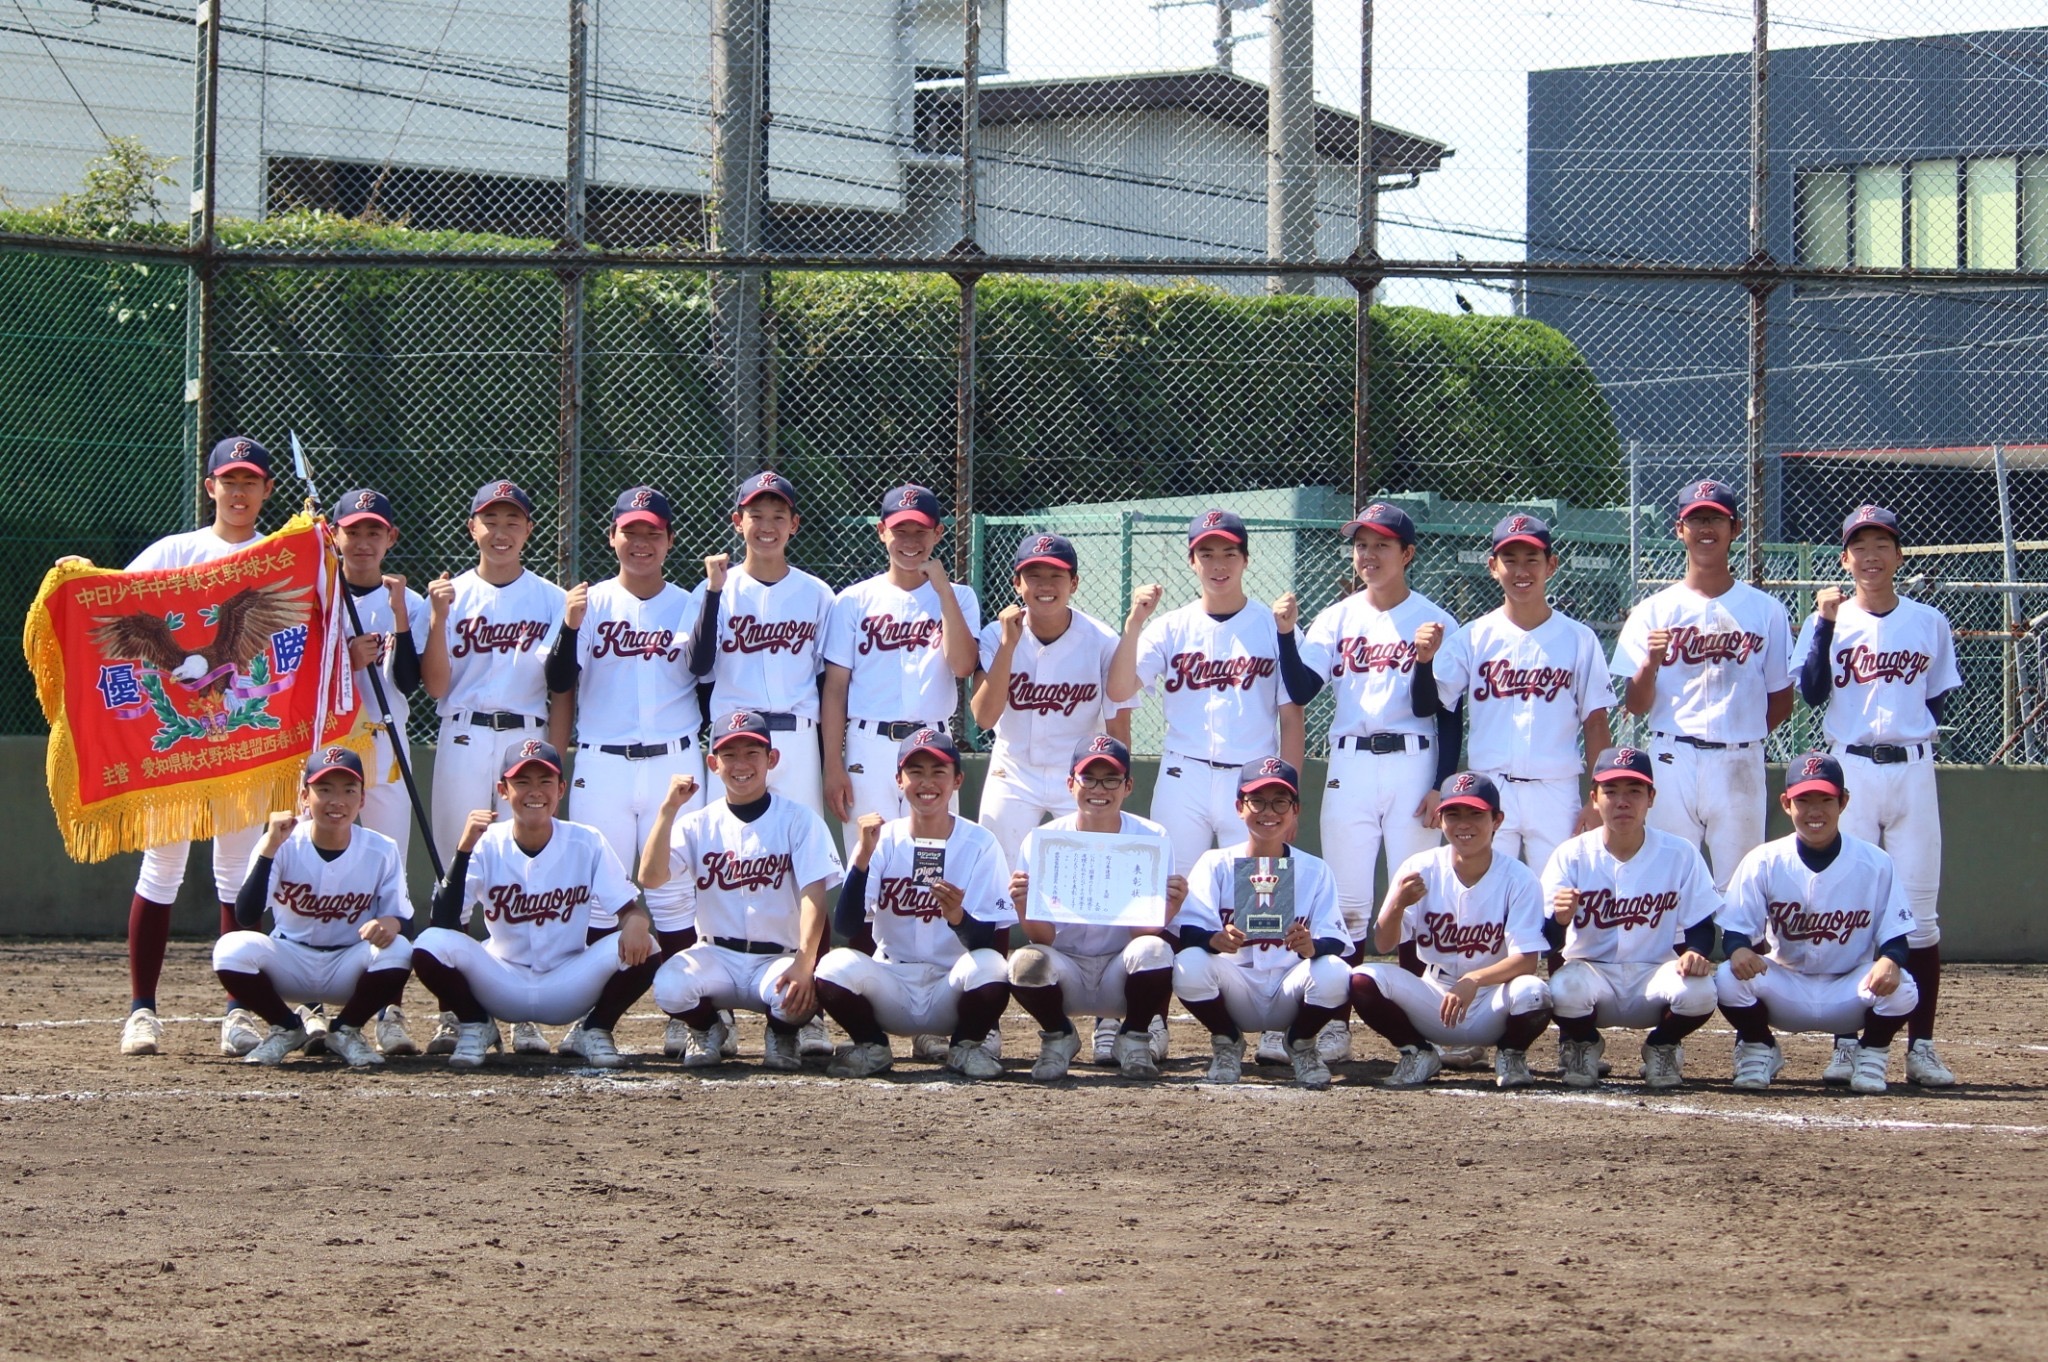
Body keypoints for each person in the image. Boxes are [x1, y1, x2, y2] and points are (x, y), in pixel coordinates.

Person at [60, 436, 279, 1059]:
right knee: (162, 870)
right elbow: (109, 611)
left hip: (244, 738)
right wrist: (73, 584)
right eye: (228, 481)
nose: (238, 492)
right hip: (176, 743)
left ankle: (239, 1010)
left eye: (250, 481)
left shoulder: (277, 557)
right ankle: (142, 1011)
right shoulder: (175, 551)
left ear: (266, 490)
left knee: (235, 873)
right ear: (209, 487)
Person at [1793, 504, 1962, 1088]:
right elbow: (1812, 692)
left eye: (1881, 544)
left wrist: (1907, 737)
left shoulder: (1928, 621)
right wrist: (1823, 624)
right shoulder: (1831, 622)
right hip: (1852, 774)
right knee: (1851, 913)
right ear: (1845, 558)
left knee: (1921, 918)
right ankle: (1847, 1042)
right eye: (1859, 546)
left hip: (1913, 770)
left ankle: (1922, 1046)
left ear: (1897, 555)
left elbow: (1935, 700)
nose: (1870, 555)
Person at [545, 485, 709, 1060]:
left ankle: (687, 1013)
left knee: (676, 893)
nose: (641, 543)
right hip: (602, 760)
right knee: (600, 899)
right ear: (612, 536)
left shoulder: (690, 603)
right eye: (631, 532)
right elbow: (560, 679)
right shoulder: (588, 604)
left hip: (675, 758)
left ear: (669, 539)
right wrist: (567, 627)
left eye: (653, 533)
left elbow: (707, 673)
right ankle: (598, 1019)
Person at [970, 532, 1144, 1066]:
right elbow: (983, 716)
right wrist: (1005, 646)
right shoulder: (996, 634)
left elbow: (1118, 723)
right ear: (1017, 582)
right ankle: (988, 1019)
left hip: (1080, 780)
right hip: (1014, 770)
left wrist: (1113, 789)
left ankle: (1111, 1017)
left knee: (1102, 887)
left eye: (1056, 575)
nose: (1045, 585)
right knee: (996, 888)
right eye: (1034, 575)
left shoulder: (1099, 638)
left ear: (1073, 582)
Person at [1297, 501, 1459, 1063]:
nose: (1368, 554)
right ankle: (1336, 1020)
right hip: (1349, 760)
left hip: (1414, 758)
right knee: (1346, 901)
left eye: (1381, 545)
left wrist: (1442, 783)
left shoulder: (1436, 619)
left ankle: (1425, 1018)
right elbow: (1299, 685)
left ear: (1408, 553)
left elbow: (1439, 711)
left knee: (1414, 894)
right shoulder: (1337, 617)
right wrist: (1283, 631)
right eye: (1361, 544)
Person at [419, 480, 569, 1056]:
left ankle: (522, 1005)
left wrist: (552, 763)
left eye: (513, 521)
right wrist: (436, 620)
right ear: (472, 528)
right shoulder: (450, 596)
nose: (501, 531)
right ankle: (454, 1011)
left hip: (527, 743)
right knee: (455, 870)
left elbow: (561, 692)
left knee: (523, 873)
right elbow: (435, 686)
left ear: (529, 530)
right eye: (491, 520)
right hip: (463, 733)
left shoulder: (553, 600)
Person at [410, 741, 658, 1069]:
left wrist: (637, 922)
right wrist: (463, 850)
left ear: (561, 789)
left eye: (545, 781)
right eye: (522, 782)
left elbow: (628, 911)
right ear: (503, 789)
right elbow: (443, 921)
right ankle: (476, 1024)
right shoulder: (485, 843)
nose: (535, 791)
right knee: (429, 944)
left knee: (648, 947)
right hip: (500, 981)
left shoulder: (587, 840)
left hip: (568, 982)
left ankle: (594, 1029)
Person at [1107, 510, 1311, 880]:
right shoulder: (1169, 627)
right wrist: (1134, 623)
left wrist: (1290, 795)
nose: (1218, 565)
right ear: (1191, 561)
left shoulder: (1274, 627)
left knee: (1260, 899)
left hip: (1256, 777)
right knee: (1170, 889)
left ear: (1246, 560)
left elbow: (1292, 717)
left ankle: (1257, 941)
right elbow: (1119, 690)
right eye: (1207, 554)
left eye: (1229, 554)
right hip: (1184, 775)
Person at [1610, 479, 1793, 891]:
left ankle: (1740, 957)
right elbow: (1635, 704)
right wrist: (1650, 664)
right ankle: (1677, 959)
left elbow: (1782, 698)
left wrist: (1742, 732)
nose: (1706, 528)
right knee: (1669, 883)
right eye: (1696, 519)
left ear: (1736, 529)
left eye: (1716, 519)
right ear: (1679, 529)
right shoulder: (1652, 610)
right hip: (1672, 756)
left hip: (1739, 757)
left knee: (1743, 886)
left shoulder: (1766, 611)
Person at [643, 712, 843, 1071]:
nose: (741, 765)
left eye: (752, 753)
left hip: (776, 958)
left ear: (772, 759)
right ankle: (707, 1029)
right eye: (729, 754)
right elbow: (651, 877)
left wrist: (804, 962)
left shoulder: (799, 819)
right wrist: (667, 810)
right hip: (717, 955)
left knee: (791, 998)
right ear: (713, 763)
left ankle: (781, 1034)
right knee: (669, 986)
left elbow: (815, 897)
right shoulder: (696, 823)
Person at [1414, 514, 1613, 876]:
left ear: (1551, 565)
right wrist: (1423, 663)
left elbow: (1596, 721)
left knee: (1561, 896)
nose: (1521, 570)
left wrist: (1597, 797)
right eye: (1510, 560)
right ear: (1493, 567)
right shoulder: (1473, 637)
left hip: (1556, 788)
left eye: (1532, 560)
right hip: (1490, 786)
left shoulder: (1579, 638)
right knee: (1486, 894)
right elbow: (1430, 704)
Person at [1715, 753, 1921, 1094]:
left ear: (1843, 802)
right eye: (1803, 800)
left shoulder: (1875, 862)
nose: (1815, 811)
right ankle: (1760, 1046)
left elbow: (1896, 936)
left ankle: (1870, 1052)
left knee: (1903, 986)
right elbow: (1736, 930)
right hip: (1786, 986)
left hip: (1851, 989)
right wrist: (1737, 950)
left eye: (1826, 799)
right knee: (1725, 978)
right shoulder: (1764, 860)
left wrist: (1890, 960)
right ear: (1786, 803)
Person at [813, 730, 1013, 1080]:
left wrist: (958, 918)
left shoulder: (980, 843)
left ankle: (965, 1046)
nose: (927, 782)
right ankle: (871, 1046)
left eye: (939, 772)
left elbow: (990, 941)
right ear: (898, 780)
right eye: (916, 771)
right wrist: (861, 858)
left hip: (950, 988)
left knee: (993, 967)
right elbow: (845, 927)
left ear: (957, 781)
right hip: (891, 984)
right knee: (831, 967)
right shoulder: (882, 840)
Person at [1350, 772, 1555, 1090]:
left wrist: (1474, 980)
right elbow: (1384, 941)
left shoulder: (1519, 878)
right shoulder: (1420, 868)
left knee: (1534, 992)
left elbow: (1527, 962)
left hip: (1493, 1000)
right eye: (1453, 814)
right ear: (1439, 817)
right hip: (1434, 997)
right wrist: (1397, 906)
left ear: (1497, 820)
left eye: (1476, 814)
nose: (1464, 824)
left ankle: (1511, 1054)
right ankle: (1417, 1052)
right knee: (1362, 979)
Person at [211, 748, 414, 1067]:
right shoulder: (282, 843)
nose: (338, 801)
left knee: (399, 949)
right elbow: (246, 915)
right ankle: (287, 1028)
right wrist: (267, 849)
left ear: (362, 800)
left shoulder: (381, 848)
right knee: (230, 949)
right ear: (304, 796)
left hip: (349, 965)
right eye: (324, 789)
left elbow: (404, 918)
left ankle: (346, 1031)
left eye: (349, 790)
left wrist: (391, 924)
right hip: (290, 960)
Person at [1540, 747, 1722, 1089]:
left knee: (1701, 991)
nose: (1622, 801)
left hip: (1655, 974)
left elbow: (1700, 926)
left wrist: (1696, 951)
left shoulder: (1679, 853)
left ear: (1651, 797)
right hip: (1592, 975)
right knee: (1561, 989)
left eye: (1634, 791)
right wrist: (1560, 921)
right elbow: (1546, 942)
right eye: (1611, 792)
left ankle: (1662, 1045)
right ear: (1594, 798)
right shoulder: (1571, 855)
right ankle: (1582, 1042)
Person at [1004, 736, 1185, 1081]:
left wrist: (1168, 909)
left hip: (1121, 972)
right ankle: (1059, 1036)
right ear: (1071, 783)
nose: (1099, 789)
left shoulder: (1152, 837)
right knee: (1024, 962)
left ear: (1128, 785)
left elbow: (1143, 934)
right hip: (1067, 967)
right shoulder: (1043, 840)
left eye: (1111, 779)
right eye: (1089, 778)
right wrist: (1024, 906)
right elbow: (1042, 938)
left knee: (1156, 949)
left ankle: (1132, 1036)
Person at [1170, 758, 1352, 1091]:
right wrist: (1214, 939)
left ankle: (1300, 1043)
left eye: (1280, 801)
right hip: (1234, 986)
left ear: (1295, 809)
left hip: (1290, 987)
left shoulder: (1314, 869)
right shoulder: (1215, 863)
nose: (1269, 811)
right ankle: (1226, 1041)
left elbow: (1336, 939)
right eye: (1257, 801)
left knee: (1335, 970)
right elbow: (1188, 930)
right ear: (1240, 807)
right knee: (1188, 964)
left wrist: (1314, 946)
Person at [327, 487, 430, 1058]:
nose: (363, 542)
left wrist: (397, 620)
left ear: (390, 538)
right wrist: (346, 657)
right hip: (328, 750)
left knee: (390, 876)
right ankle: (314, 1004)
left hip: (387, 747)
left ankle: (389, 1007)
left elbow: (411, 684)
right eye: (353, 531)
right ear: (335, 536)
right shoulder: (318, 594)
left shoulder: (405, 602)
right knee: (322, 872)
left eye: (374, 532)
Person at [819, 484, 980, 848]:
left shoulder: (960, 597)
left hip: (933, 743)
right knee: (868, 858)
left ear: (938, 533)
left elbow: (962, 665)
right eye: (900, 531)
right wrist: (833, 765)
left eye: (920, 531)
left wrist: (944, 591)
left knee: (932, 858)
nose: (910, 541)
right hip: (868, 744)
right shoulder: (853, 600)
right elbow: (835, 688)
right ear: (881, 531)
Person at [688, 471, 834, 818]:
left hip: (798, 738)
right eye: (756, 516)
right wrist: (713, 591)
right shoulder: (715, 589)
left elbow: (826, 680)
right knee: (730, 851)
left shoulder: (817, 593)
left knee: (801, 845)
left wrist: (831, 758)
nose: (767, 526)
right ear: (738, 522)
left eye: (778, 517)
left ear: (794, 524)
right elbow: (699, 664)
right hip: (734, 738)